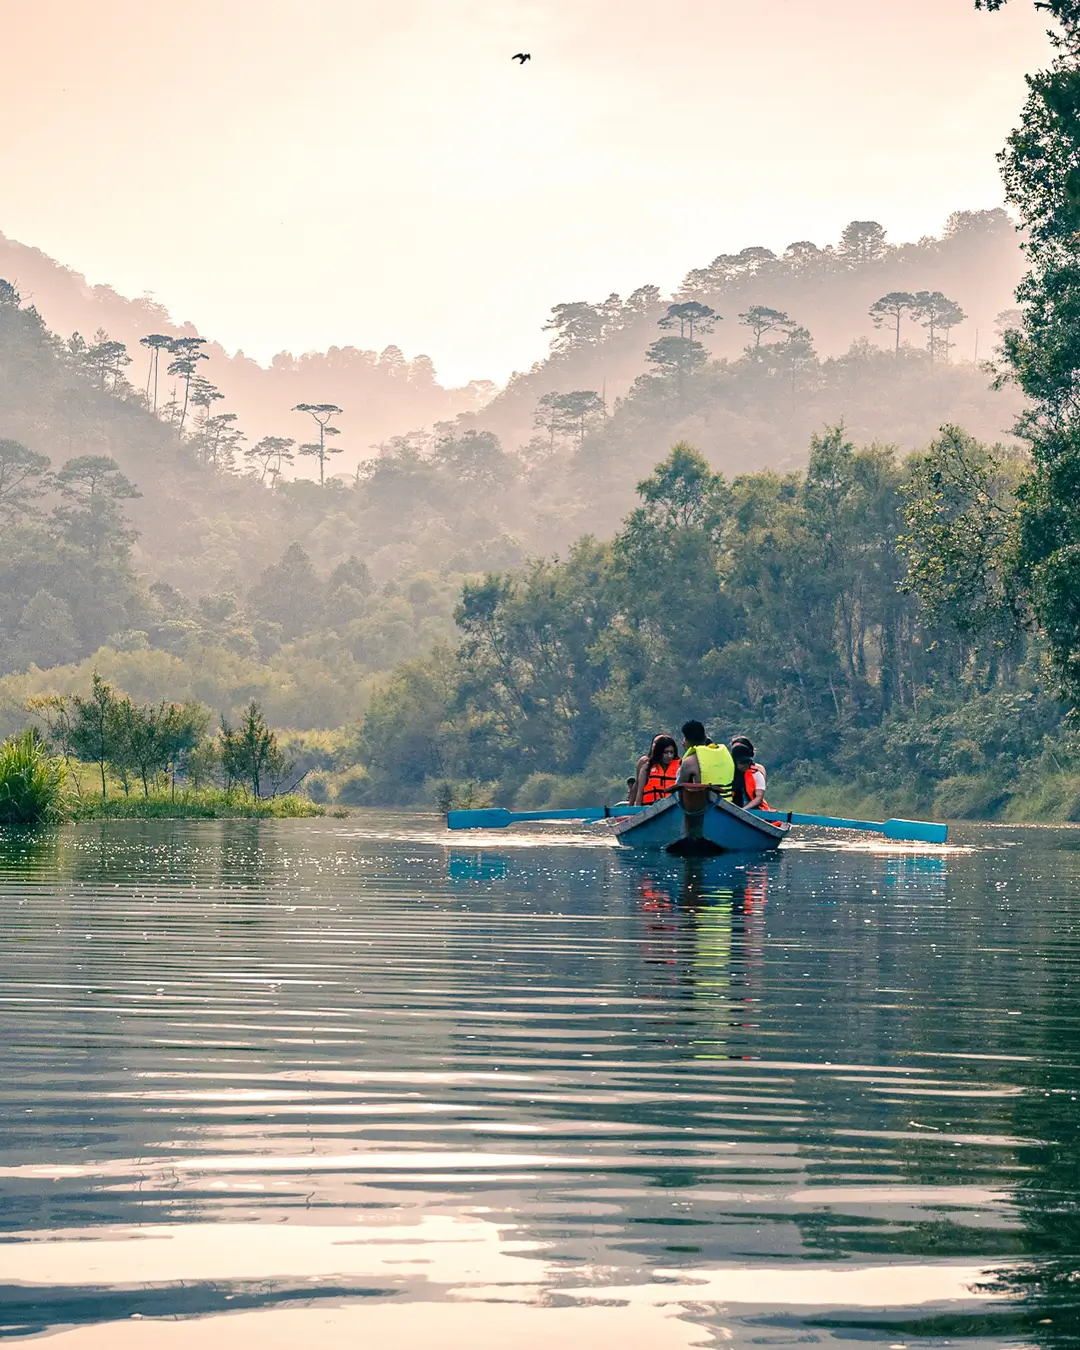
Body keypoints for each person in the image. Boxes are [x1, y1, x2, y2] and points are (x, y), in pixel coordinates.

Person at [675, 720, 735, 799]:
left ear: (687, 740)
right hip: (727, 803)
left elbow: (679, 791)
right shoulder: (725, 754)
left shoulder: (689, 762)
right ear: (705, 737)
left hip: (706, 806)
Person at [633, 734, 681, 806]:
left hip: (673, 808)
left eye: (672, 752)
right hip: (650, 810)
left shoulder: (680, 767)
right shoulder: (647, 768)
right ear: (659, 752)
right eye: (666, 752)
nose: (669, 756)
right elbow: (639, 794)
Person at [730, 736, 769, 810]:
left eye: (747, 762)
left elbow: (759, 796)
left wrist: (743, 810)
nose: (745, 765)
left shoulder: (756, 771)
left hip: (751, 809)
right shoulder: (729, 772)